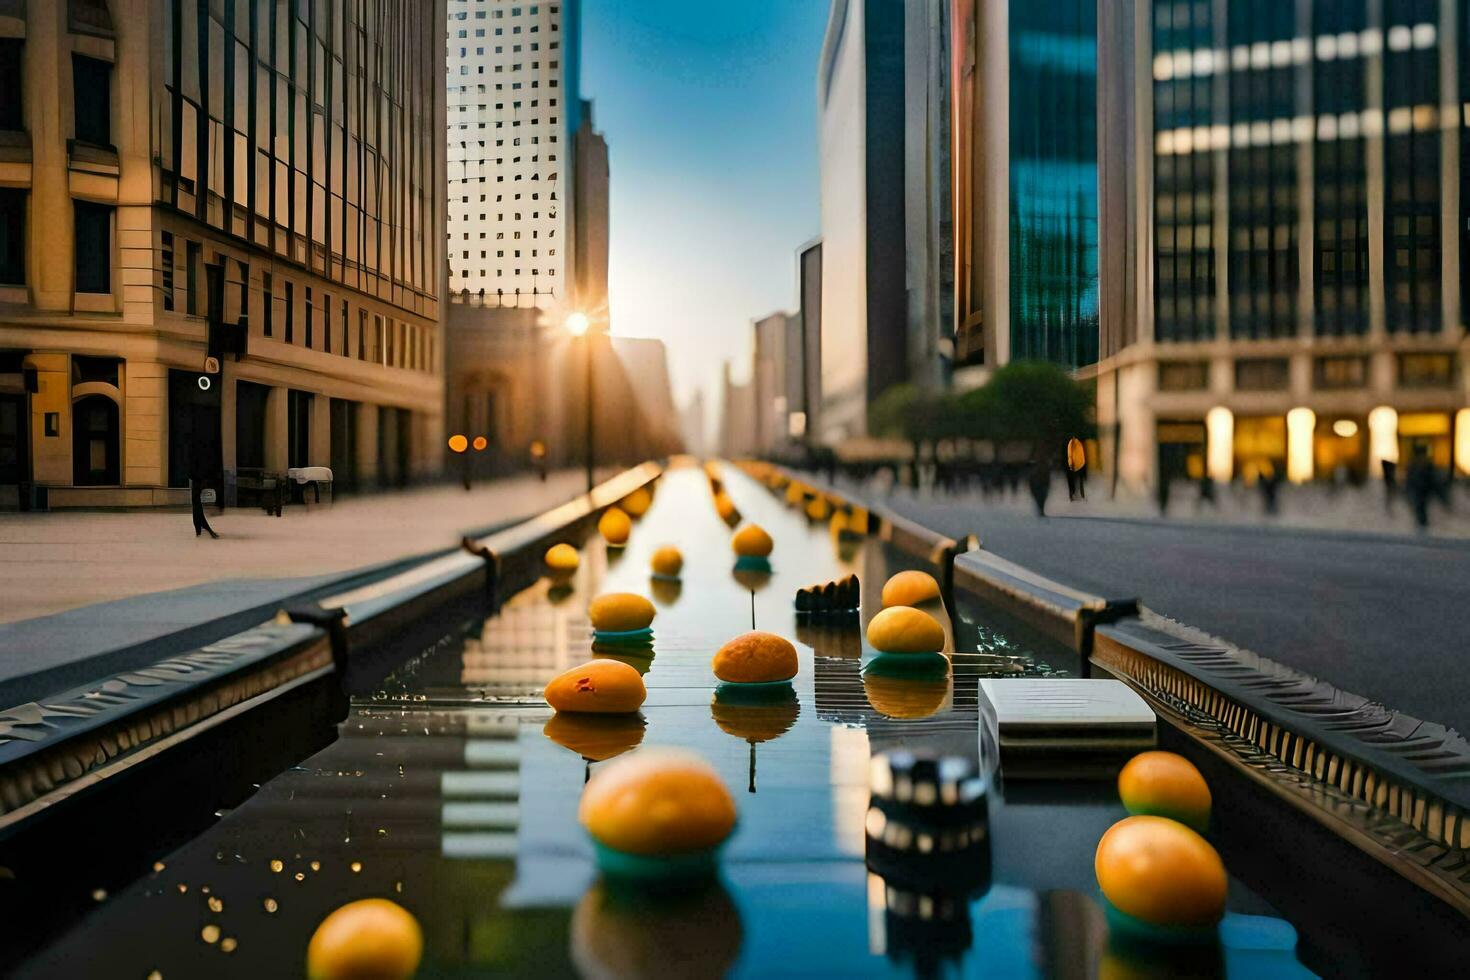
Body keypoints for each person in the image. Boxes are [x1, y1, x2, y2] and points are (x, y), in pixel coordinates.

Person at [188, 446, 219, 539]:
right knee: (196, 501)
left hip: (198, 476)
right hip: (198, 476)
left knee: (196, 501)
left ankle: (200, 526)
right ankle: (201, 526)